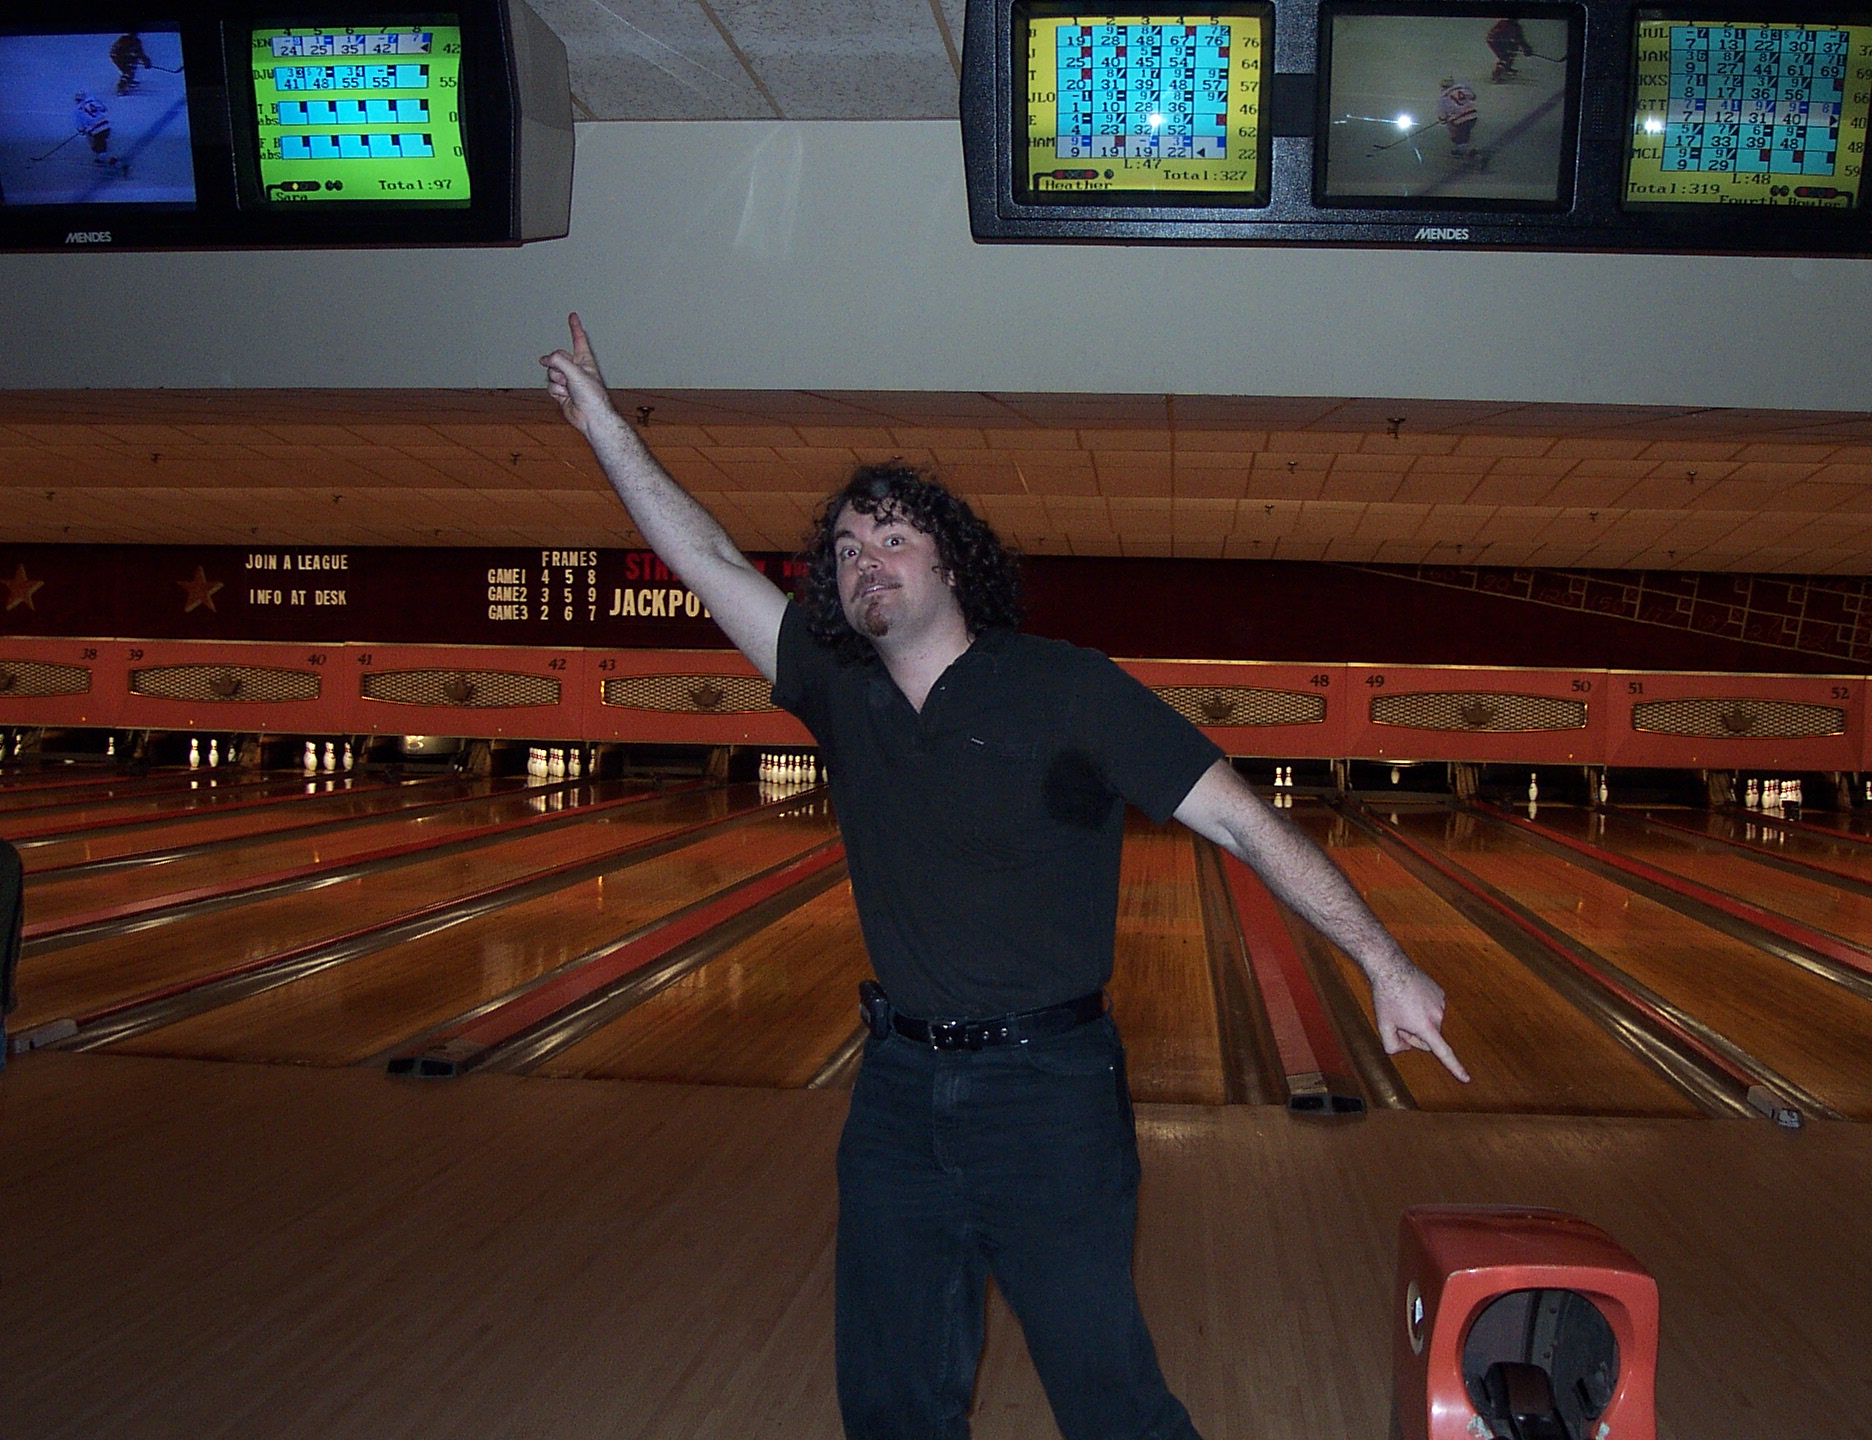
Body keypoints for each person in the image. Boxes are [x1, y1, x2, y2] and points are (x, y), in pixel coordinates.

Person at [538, 314, 1469, 1440]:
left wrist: (1382, 957)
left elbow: (1241, 823)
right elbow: (705, 559)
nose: (862, 562)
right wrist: (604, 427)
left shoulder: (1066, 690)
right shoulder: (836, 690)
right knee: (888, 1404)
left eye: (887, 538)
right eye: (843, 550)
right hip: (893, 1093)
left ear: (948, 559)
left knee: (1107, 1396)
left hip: (1048, 1097)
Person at [1436, 80, 1483, 167]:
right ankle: (1462, 147)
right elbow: (1473, 96)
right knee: (1465, 133)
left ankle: (1473, 154)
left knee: (1457, 135)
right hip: (1472, 116)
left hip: (1460, 120)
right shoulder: (1462, 88)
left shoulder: (1443, 98)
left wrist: (1442, 120)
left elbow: (1443, 114)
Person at [74, 93, 117, 169]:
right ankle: (103, 157)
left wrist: (81, 130)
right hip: (105, 125)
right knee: (103, 142)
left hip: (95, 130)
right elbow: (104, 109)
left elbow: (80, 124)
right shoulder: (93, 101)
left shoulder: (79, 109)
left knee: (97, 145)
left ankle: (111, 161)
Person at [1486, 17, 1534, 82]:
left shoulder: (1513, 26)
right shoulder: (1509, 26)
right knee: (1505, 56)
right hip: (1496, 41)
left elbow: (1520, 39)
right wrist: (1525, 48)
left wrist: (1526, 48)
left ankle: (1506, 68)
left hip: (1496, 40)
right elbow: (1519, 39)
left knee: (1511, 52)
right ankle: (1497, 74)